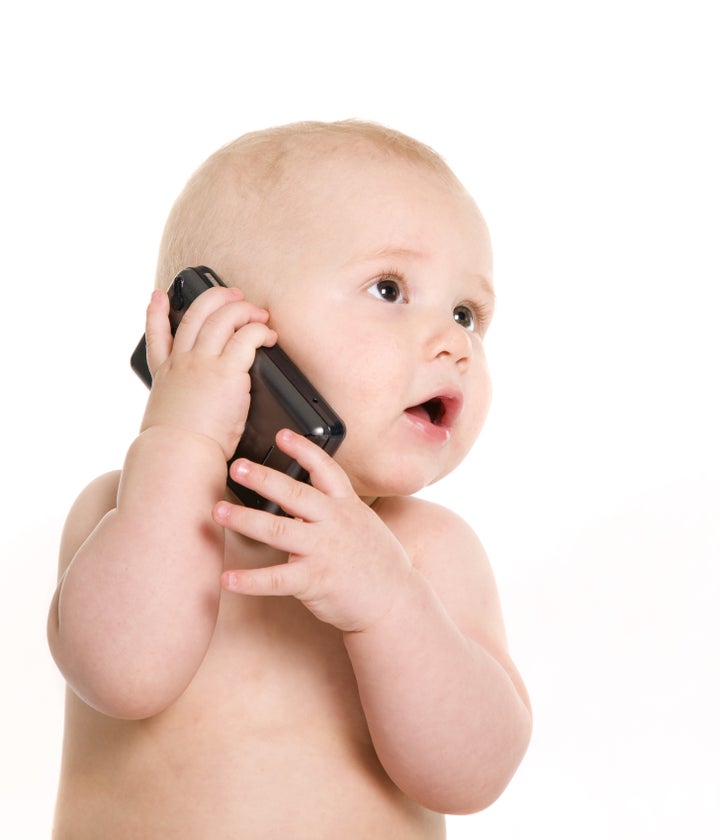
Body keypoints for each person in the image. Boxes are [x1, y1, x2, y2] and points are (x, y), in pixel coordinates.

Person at [47, 120, 531, 838]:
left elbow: (473, 775)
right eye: (390, 288)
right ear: (231, 325)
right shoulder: (124, 509)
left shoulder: (429, 554)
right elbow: (124, 676)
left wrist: (389, 604)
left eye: (468, 313)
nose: (455, 343)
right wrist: (178, 442)